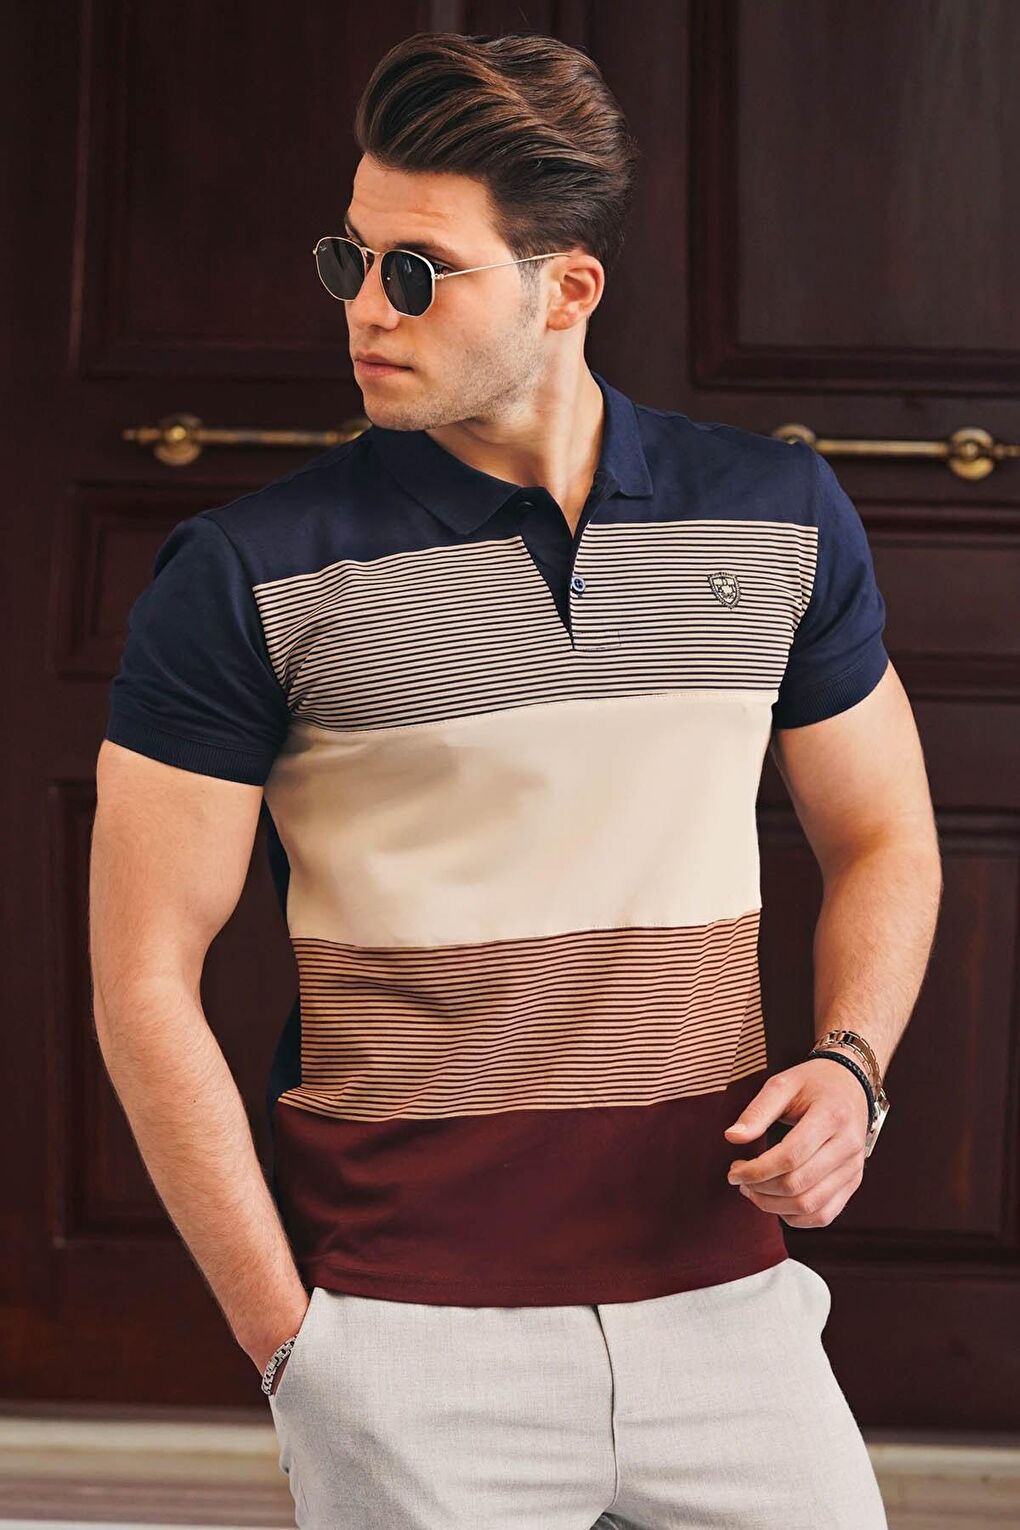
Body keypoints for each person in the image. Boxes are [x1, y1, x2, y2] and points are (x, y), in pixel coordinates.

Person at [89, 28, 942, 1530]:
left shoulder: (778, 514)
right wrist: (292, 1346)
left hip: (728, 1308)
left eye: (419, 271)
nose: (367, 307)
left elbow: (885, 836)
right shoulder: (245, 573)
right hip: (407, 1331)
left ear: (568, 290)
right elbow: (141, 975)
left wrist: (853, 1067)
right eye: (350, 260)